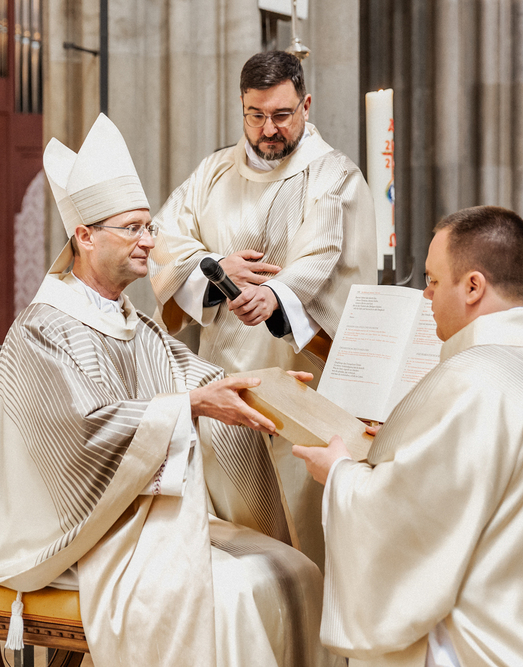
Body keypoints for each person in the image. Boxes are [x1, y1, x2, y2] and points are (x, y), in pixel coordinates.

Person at [0, 114, 340, 667]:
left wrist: (269, 389)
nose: (148, 242)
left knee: (295, 570)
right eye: (132, 229)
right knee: (230, 597)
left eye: (149, 227)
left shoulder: (135, 324)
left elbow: (202, 379)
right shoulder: (43, 329)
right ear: (84, 236)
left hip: (137, 516)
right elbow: (79, 436)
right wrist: (189, 407)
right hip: (62, 532)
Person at [293, 206, 523, 666]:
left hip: (484, 637)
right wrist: (403, 439)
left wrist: (339, 472)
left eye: (434, 280)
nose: (426, 295)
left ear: (473, 286)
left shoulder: (477, 377)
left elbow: (411, 517)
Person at [149, 50, 376, 567]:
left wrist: (276, 296)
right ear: (241, 106)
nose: (268, 130)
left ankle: (310, 620)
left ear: (306, 106)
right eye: (256, 115)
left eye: (281, 115)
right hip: (227, 383)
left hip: (305, 386)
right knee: (243, 545)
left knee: (307, 539)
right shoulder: (212, 173)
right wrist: (214, 267)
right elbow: (164, 237)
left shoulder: (333, 176)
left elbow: (326, 256)